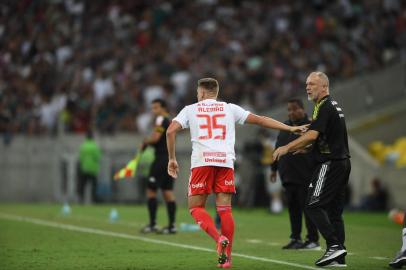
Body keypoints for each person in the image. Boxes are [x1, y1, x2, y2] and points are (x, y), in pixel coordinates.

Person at [166, 78, 307, 268]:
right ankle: (227, 259)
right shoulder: (230, 108)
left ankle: (218, 239)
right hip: (225, 163)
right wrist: (290, 127)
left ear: (201, 93)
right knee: (225, 210)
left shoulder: (190, 109)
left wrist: (172, 158)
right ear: (216, 92)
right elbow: (261, 120)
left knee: (196, 208)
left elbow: (170, 131)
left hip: (202, 163)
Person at [273, 71, 351, 267]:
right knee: (334, 212)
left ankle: (334, 246)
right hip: (341, 163)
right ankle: (339, 258)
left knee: (312, 205)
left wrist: (287, 147)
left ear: (324, 86)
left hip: (330, 163)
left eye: (313, 84)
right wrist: (307, 149)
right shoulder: (327, 106)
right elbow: (328, 137)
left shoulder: (324, 106)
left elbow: (311, 136)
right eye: (307, 84)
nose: (308, 87)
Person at [271, 98, 319, 250]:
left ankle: (312, 240)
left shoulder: (312, 126)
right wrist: (273, 169)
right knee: (293, 209)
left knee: (308, 208)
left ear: (302, 109)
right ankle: (295, 238)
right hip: (288, 176)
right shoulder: (285, 127)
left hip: (307, 175)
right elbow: (277, 148)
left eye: (294, 109)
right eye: (289, 110)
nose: (291, 112)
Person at [140, 99, 177, 234]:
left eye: (156, 108)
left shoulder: (161, 119)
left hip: (161, 160)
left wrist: (145, 141)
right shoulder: (170, 120)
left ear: (163, 108)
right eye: (152, 108)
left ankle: (152, 224)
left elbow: (155, 138)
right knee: (167, 192)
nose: (154, 111)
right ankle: (172, 226)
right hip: (169, 159)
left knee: (151, 190)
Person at [78, 130, 101, 203]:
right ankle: (94, 200)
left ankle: (81, 199)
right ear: (92, 137)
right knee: (94, 186)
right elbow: (98, 157)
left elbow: (81, 158)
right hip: (93, 169)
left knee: (83, 185)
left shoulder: (83, 146)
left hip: (84, 168)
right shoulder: (94, 146)